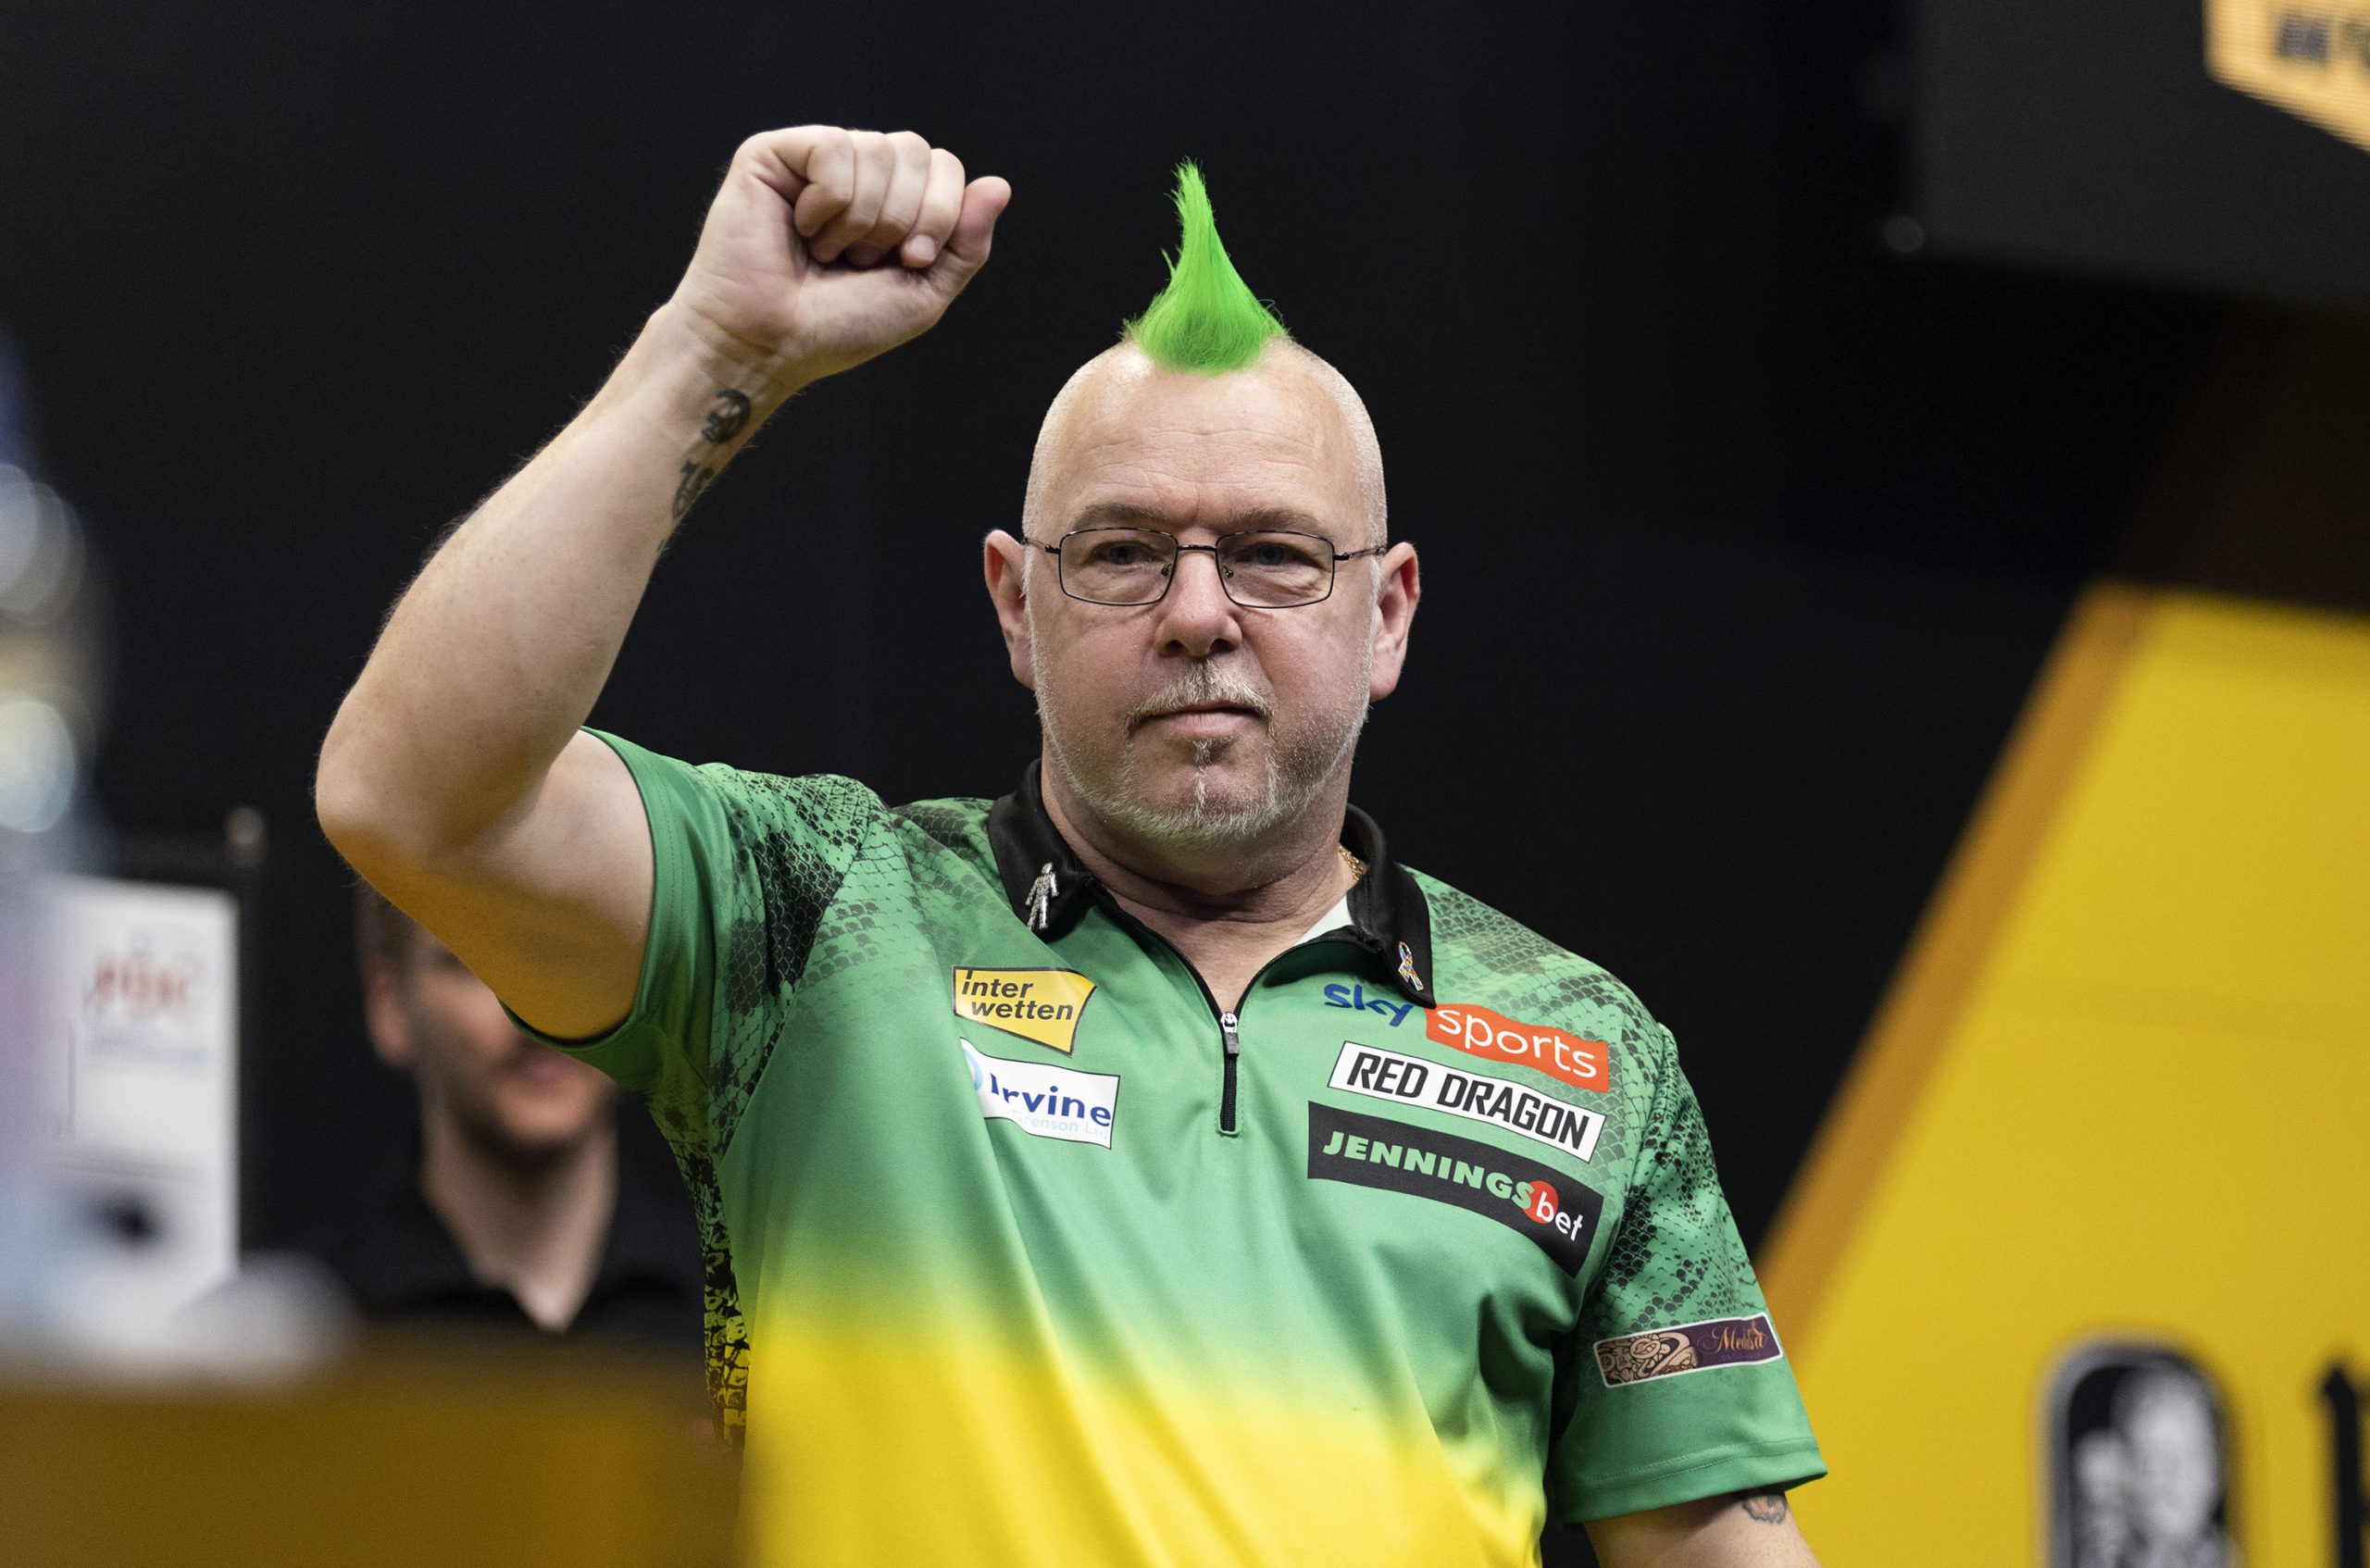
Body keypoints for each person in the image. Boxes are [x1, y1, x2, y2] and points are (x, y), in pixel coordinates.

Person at [316, 126, 1827, 1565]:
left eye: (1274, 553)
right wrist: (717, 348)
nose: (1197, 611)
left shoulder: (1583, 1050)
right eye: (1120, 552)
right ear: (1013, 606)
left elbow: (1715, 1538)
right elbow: (412, 796)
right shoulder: (819, 915)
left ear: (1388, 614)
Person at [307, 879, 704, 1355]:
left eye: (582, 953)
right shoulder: (299, 1348)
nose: (541, 1016)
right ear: (390, 1007)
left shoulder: (755, 1326)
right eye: (480, 961)